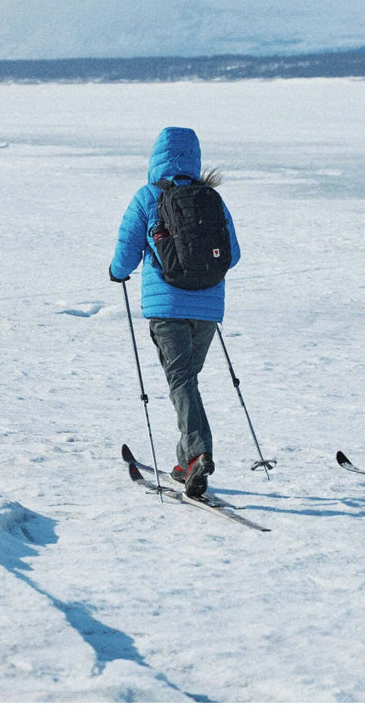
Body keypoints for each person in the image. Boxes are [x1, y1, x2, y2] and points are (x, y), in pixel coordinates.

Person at [110, 127, 240, 498]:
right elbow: (235, 253)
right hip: (208, 308)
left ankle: (198, 454)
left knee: (181, 381)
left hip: (166, 307)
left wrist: (117, 273)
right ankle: (186, 461)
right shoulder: (212, 198)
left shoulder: (148, 197)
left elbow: (127, 249)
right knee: (187, 381)